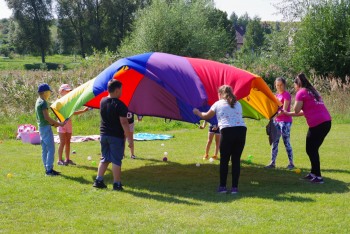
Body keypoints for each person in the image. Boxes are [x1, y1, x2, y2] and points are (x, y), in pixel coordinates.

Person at [193, 85, 246, 194]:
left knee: (224, 160)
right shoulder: (238, 103)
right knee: (236, 160)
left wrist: (197, 112)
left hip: (227, 131)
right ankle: (234, 188)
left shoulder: (218, 104)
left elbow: (206, 116)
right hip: (241, 131)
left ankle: (222, 187)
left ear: (220, 94)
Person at [283, 73, 331, 184]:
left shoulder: (301, 92)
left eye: (294, 85)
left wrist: (296, 98)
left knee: (311, 149)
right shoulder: (313, 91)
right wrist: (287, 114)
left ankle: (318, 177)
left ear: (297, 84)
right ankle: (313, 174)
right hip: (326, 122)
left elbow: (296, 109)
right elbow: (303, 111)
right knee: (312, 149)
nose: (294, 87)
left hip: (317, 124)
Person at [93, 79, 133, 190]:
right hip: (115, 136)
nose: (122, 92)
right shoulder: (120, 105)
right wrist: (130, 139)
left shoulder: (102, 101)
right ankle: (117, 183)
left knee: (105, 158)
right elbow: (124, 123)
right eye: (121, 90)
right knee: (116, 160)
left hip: (104, 135)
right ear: (116, 90)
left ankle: (99, 180)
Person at [35, 83, 65, 176]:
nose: (49, 94)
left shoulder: (38, 101)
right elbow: (47, 117)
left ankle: (47, 168)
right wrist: (59, 124)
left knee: (44, 149)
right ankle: (49, 170)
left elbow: (45, 119)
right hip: (45, 128)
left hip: (41, 127)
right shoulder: (43, 102)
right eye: (48, 92)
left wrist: (53, 124)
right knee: (51, 148)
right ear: (44, 92)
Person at [265, 77, 295, 169]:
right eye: (277, 85)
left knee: (286, 142)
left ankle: (291, 163)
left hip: (285, 122)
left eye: (281, 85)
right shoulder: (276, 96)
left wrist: (274, 115)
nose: (279, 87)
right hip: (276, 122)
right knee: (275, 142)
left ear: (284, 85)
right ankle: (272, 163)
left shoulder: (286, 95)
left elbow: (284, 110)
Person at [57, 84, 89, 166]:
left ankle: (67, 159)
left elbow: (73, 113)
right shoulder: (59, 102)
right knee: (62, 142)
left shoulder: (70, 102)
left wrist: (83, 111)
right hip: (61, 124)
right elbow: (58, 113)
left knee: (68, 142)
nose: (68, 92)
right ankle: (59, 160)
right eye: (66, 91)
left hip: (69, 124)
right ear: (61, 91)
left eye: (69, 91)